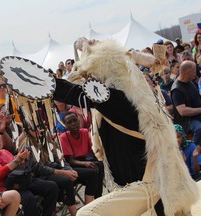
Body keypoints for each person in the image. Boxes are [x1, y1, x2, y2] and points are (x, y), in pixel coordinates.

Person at [52, 39, 197, 215]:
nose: (90, 79)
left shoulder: (121, 101)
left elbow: (81, 93)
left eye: (94, 75)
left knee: (86, 213)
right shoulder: (130, 98)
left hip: (151, 185)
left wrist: (44, 83)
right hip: (142, 183)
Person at [0, 127, 59, 216]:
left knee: (52, 187)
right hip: (8, 188)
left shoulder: (4, 151)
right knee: (29, 198)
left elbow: (17, 167)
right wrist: (17, 160)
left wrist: (22, 161)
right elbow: (0, 173)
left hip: (23, 181)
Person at [59, 112, 104, 203]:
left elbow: (91, 151)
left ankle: (98, 197)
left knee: (99, 165)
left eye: (75, 120)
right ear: (65, 125)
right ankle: (90, 203)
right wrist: (85, 163)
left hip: (83, 161)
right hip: (72, 166)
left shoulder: (84, 132)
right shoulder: (64, 137)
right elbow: (70, 161)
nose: (73, 123)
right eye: (69, 122)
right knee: (92, 173)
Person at [171, 60, 201, 145]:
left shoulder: (190, 82)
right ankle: (193, 151)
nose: (196, 73)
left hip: (197, 115)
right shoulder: (177, 89)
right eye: (194, 71)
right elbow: (183, 111)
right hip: (187, 121)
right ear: (187, 73)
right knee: (199, 129)